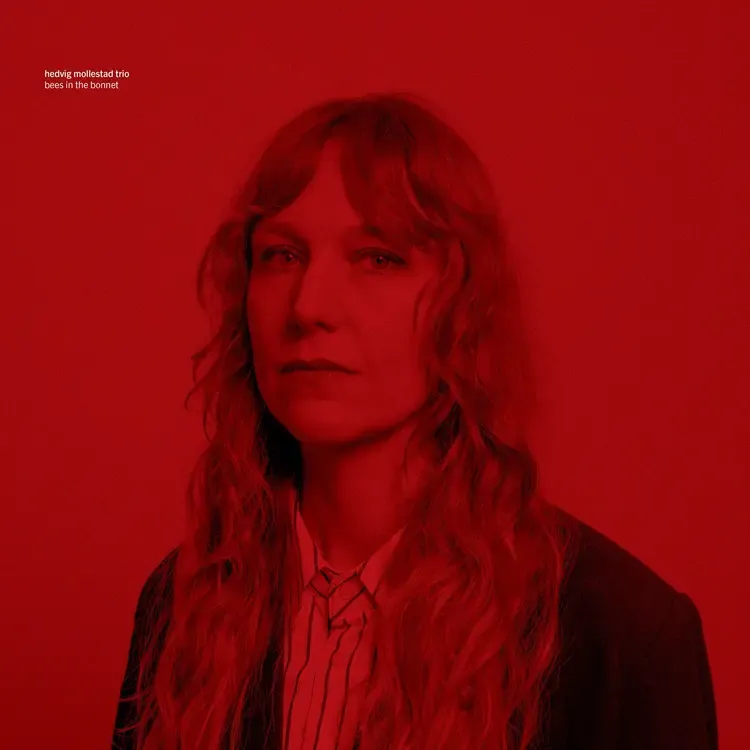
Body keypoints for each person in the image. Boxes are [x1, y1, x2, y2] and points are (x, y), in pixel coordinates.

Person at [112, 92, 718, 750]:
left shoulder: (623, 635)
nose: (309, 306)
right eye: (282, 255)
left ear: (464, 306)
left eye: (379, 257)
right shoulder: (182, 605)